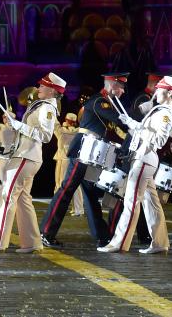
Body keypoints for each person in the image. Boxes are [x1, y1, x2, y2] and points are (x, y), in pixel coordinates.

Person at [39, 72, 129, 248]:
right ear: (112, 85)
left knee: (90, 194)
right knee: (66, 190)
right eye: (121, 87)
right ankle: (46, 232)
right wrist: (136, 121)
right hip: (83, 151)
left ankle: (102, 236)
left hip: (92, 154)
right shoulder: (99, 101)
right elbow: (117, 119)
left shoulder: (105, 102)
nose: (123, 92)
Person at [0, 73, 64, 254]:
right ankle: (32, 242)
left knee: (6, 196)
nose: (39, 88)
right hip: (26, 156)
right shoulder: (43, 105)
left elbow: (46, 136)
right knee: (23, 200)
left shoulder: (47, 108)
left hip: (27, 157)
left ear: (52, 90)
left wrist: (19, 125)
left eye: (43, 86)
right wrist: (15, 124)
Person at [99, 76, 172, 254]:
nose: (156, 92)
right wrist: (133, 125)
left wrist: (135, 125)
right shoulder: (160, 109)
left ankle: (120, 243)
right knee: (152, 204)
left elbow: (159, 140)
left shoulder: (165, 113)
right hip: (144, 158)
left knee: (131, 202)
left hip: (144, 159)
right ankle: (160, 243)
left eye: (160, 89)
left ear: (169, 93)